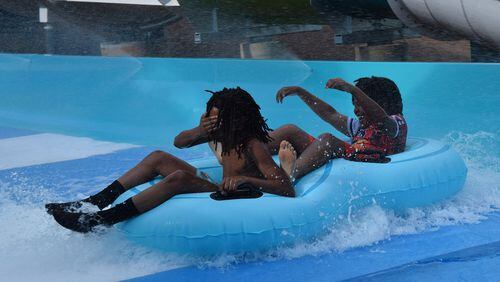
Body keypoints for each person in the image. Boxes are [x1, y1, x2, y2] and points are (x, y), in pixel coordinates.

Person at [46, 87, 294, 233]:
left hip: (234, 195)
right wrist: (201, 130)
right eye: (209, 117)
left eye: (215, 118)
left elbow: (285, 187)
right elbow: (179, 142)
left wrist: (244, 179)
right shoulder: (222, 133)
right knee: (158, 157)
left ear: (234, 119)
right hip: (218, 185)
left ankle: (100, 222)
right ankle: (96, 201)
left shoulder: (253, 145)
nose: (210, 121)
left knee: (178, 178)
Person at [268, 76, 407, 181]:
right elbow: (330, 114)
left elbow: (381, 118)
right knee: (290, 130)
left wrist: (353, 89)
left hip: (366, 161)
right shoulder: (360, 126)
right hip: (346, 155)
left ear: (380, 104)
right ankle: (250, 149)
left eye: (359, 105)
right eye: (354, 105)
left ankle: (292, 172)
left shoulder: (396, 124)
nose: (355, 111)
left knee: (328, 140)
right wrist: (301, 92)